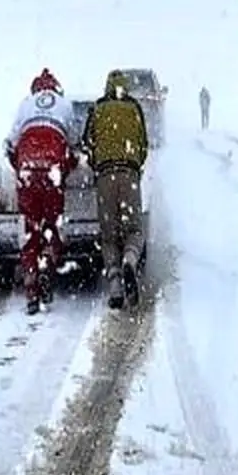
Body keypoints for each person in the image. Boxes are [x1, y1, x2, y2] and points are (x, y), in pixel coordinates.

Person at [4, 68, 79, 315]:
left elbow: (10, 145)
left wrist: (21, 167)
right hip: (52, 170)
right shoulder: (65, 105)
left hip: (28, 171)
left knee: (31, 231)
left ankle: (31, 289)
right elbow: (74, 145)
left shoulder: (25, 105)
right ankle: (48, 264)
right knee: (52, 226)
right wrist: (67, 167)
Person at [81, 70, 149, 309]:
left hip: (105, 176)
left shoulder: (98, 109)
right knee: (134, 230)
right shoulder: (134, 108)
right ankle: (130, 258)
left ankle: (115, 286)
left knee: (109, 236)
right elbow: (144, 145)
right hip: (129, 174)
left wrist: (97, 165)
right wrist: (134, 166)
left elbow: (86, 142)